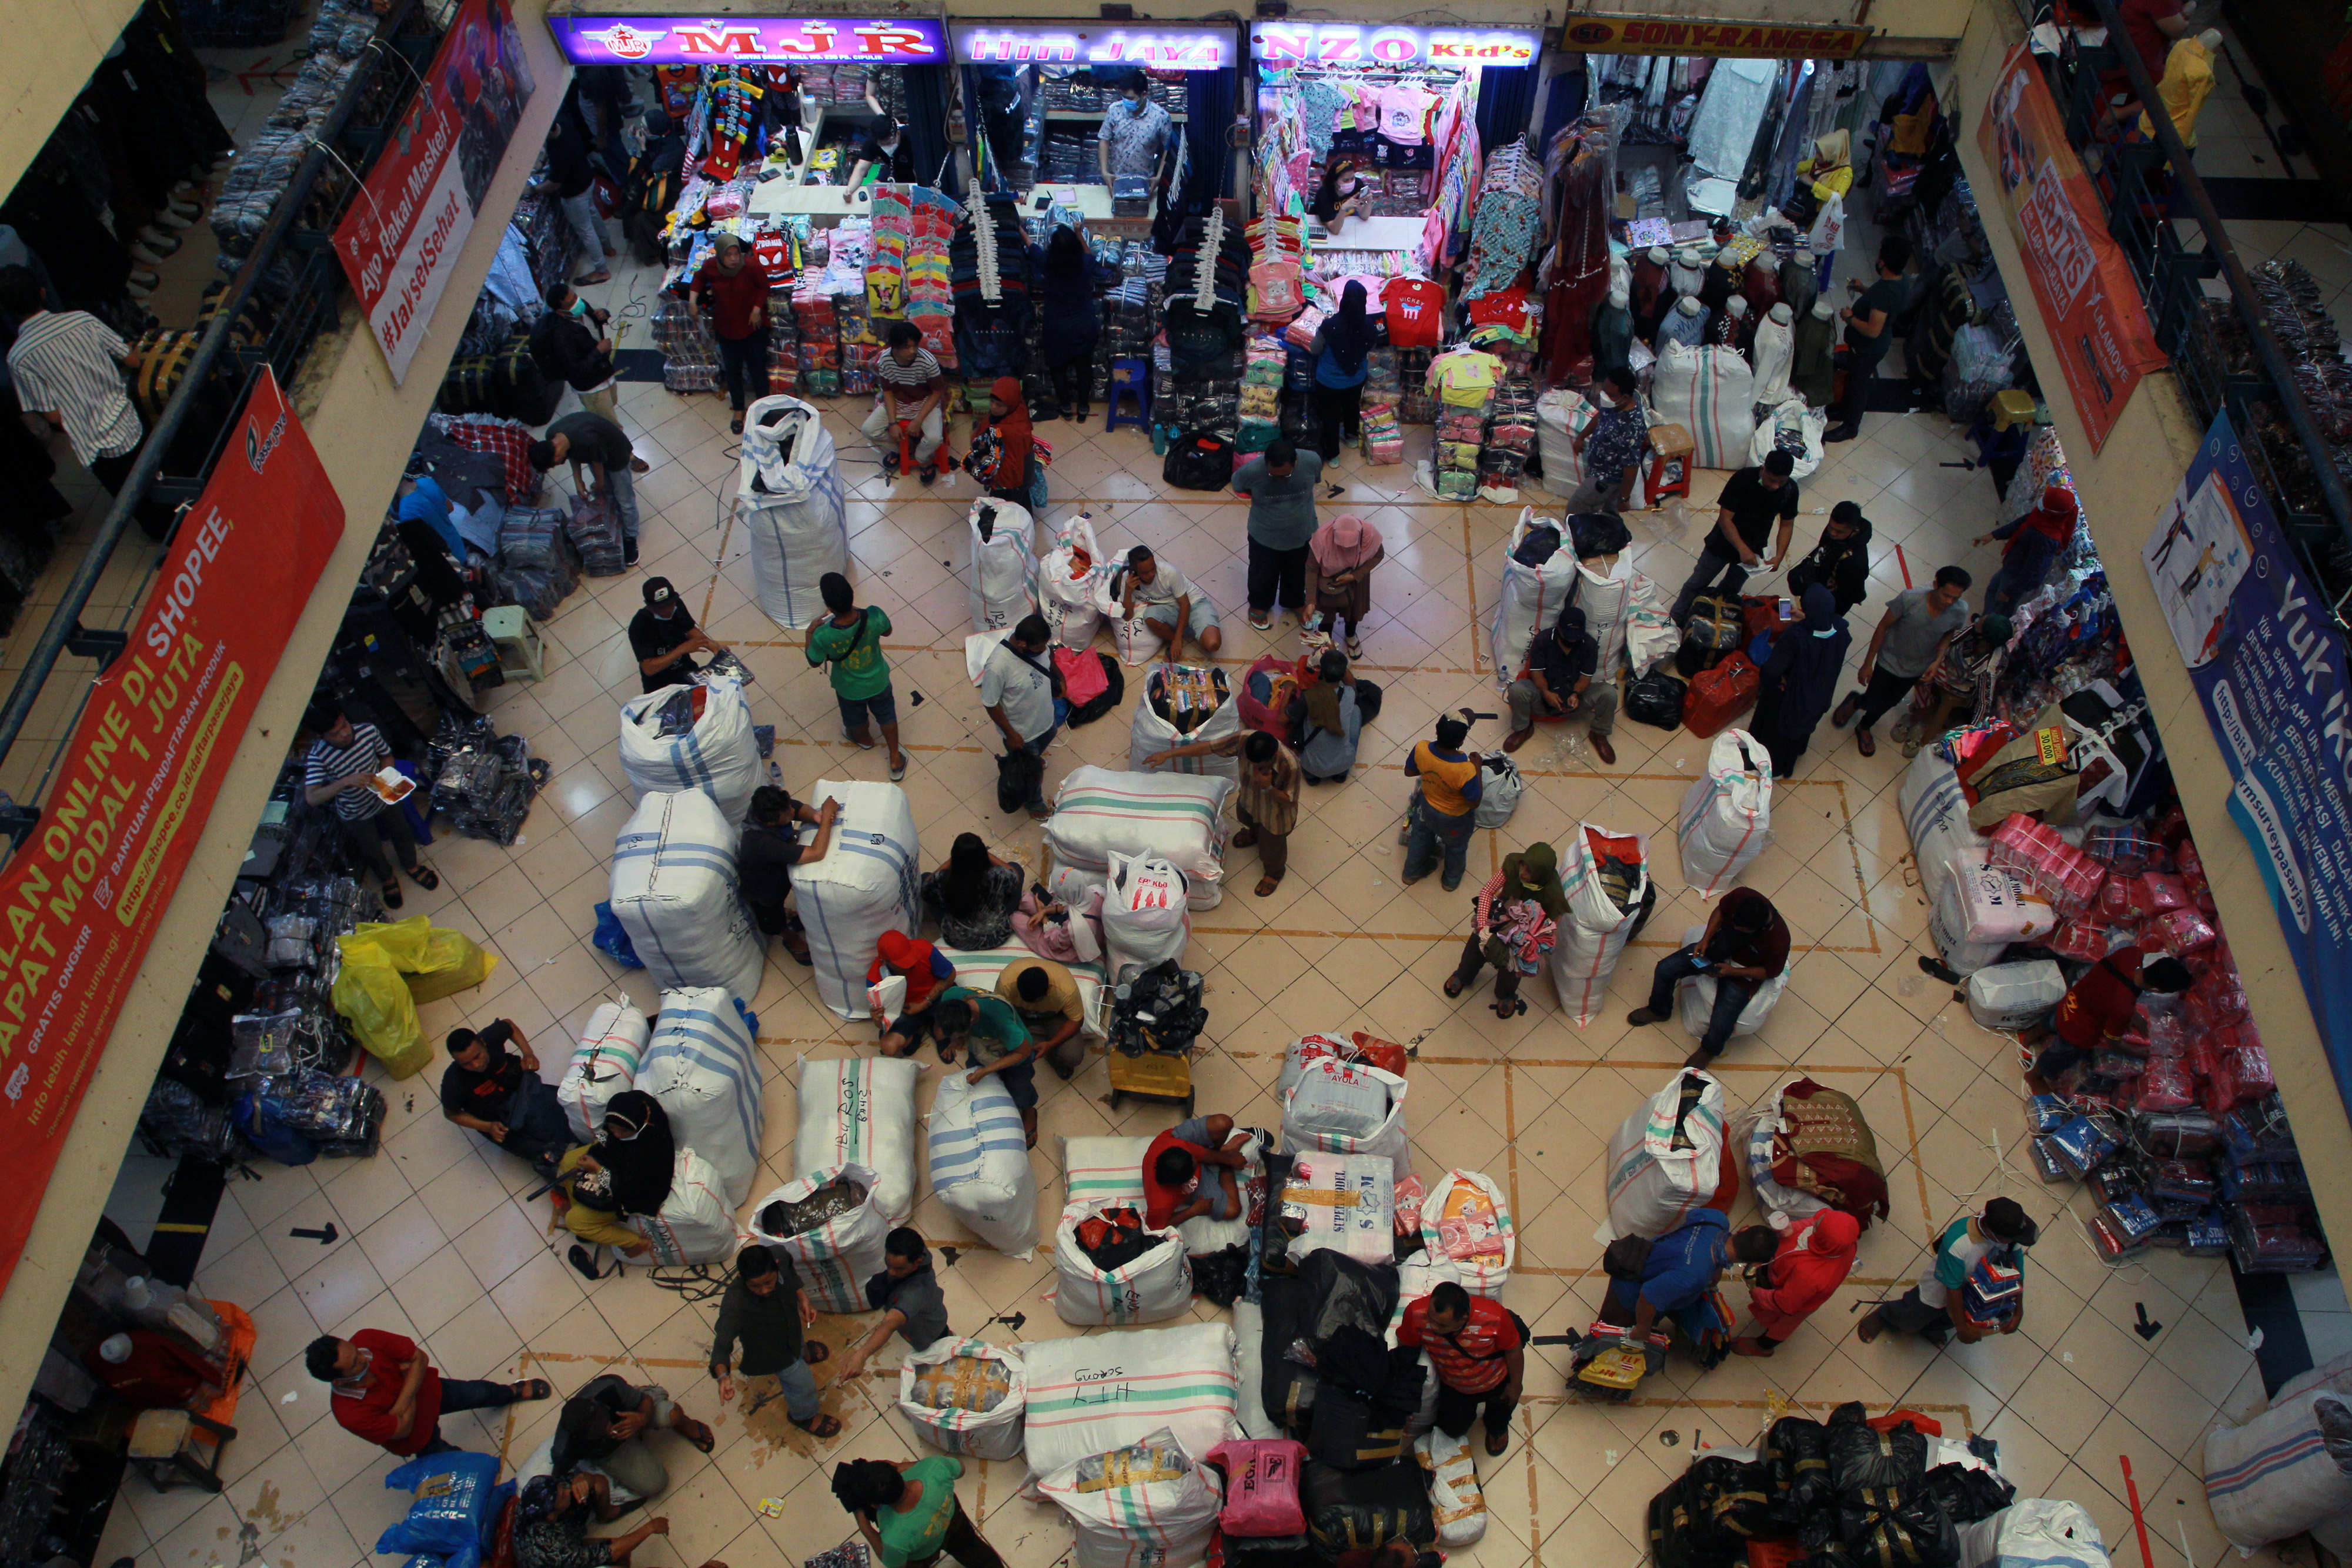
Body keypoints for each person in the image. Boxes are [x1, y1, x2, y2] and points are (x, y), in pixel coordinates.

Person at [1, 266, 169, 536]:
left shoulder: (18, 358)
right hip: (130, 420)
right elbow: (133, 360)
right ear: (42, 292)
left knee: (135, 500)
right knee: (157, 474)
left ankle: (164, 536)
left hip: (96, 446)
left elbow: (55, 418)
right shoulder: (81, 319)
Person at [306, 1331, 549, 1457]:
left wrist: (400, 1404)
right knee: (453, 1463)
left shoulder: (365, 1339)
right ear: (339, 1380)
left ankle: (511, 1392)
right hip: (417, 1437)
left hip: (432, 1392)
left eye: (356, 1351)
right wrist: (411, 1377)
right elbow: (402, 1430)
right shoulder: (349, 1413)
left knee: (480, 1392)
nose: (365, 1357)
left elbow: (420, 1358)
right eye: (356, 1363)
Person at [1626, 886, 1790, 1065]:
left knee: (1723, 1020)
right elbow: (1720, 911)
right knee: (1666, 968)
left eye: (1740, 928)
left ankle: (1709, 1049)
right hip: (1720, 945)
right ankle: (1659, 1010)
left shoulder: (1779, 941)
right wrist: (1705, 939)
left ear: (1756, 930)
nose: (1734, 926)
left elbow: (1769, 972)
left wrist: (1733, 972)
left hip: (1744, 969)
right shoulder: (1743, 896)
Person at [1589, 1212, 1778, 1366]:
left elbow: (1691, 1219)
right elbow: (1648, 1297)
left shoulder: (1716, 1220)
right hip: (1628, 1296)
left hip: (1653, 1263)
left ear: (1744, 1229)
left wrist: (1713, 1264)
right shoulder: (1693, 1277)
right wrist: (1642, 1329)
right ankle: (1588, 1362)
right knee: (1606, 1340)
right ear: (1754, 1263)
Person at [303, 704, 439, 910]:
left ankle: (412, 866)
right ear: (322, 737)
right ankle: (387, 878)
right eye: (335, 733)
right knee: (372, 849)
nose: (345, 733)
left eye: (344, 724)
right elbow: (312, 797)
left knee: (402, 832)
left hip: (384, 796)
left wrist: (385, 776)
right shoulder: (318, 756)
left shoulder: (367, 731)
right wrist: (345, 782)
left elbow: (386, 755)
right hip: (355, 811)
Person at [1856, 1198, 2039, 1348]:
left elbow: (2018, 1273)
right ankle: (1885, 1315)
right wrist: (1962, 1329)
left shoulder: (2010, 1238)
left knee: (1949, 1320)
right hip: (1944, 1287)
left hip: (1976, 1292)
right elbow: (1953, 1289)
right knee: (1913, 1315)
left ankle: (1930, 1329)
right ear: (1994, 1235)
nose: (2015, 1242)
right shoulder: (1959, 1242)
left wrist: (2018, 1311)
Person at [1831, 566, 1972, 758]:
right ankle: (1857, 701)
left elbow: (1949, 633)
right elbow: (1883, 627)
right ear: (1936, 585)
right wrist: (1868, 663)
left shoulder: (1959, 610)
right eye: (1946, 595)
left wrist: (1938, 660)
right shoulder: (1910, 599)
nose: (1950, 602)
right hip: (1889, 661)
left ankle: (1865, 726)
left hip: (1917, 667)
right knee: (1874, 700)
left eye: (1955, 598)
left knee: (1890, 702)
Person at [1144, 730, 1299, 897]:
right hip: (1249, 800)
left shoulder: (1290, 765)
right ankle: (1254, 835)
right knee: (1245, 817)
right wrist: (1168, 754)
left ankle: (1274, 874)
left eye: (1260, 767)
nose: (1255, 769)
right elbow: (1210, 748)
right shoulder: (1244, 740)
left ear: (1274, 755)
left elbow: (1290, 801)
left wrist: (1268, 787)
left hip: (1275, 815)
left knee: (1272, 848)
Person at [709, 1246, 840, 1437]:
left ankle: (802, 1352)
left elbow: (790, 1271)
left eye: (769, 1282)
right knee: (802, 1386)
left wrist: (803, 1299)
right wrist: (723, 1377)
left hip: (791, 1326)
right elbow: (721, 1345)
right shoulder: (735, 1303)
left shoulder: (778, 1255)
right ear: (741, 1279)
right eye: (755, 1286)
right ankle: (804, 1416)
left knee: (799, 1339)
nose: (764, 1290)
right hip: (773, 1350)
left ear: (776, 1266)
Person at [2022, 948, 2192, 1089]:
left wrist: (2133, 1014)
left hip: (2072, 1001)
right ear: (2156, 990)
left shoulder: (2132, 954)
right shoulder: (2123, 1008)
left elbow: (2113, 987)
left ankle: (2029, 1037)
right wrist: (2138, 1052)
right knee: (2060, 1055)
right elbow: (2114, 1042)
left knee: (2052, 1022)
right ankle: (2035, 1077)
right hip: (2078, 1032)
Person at [1671, 450, 1801, 627]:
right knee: (1697, 582)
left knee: (1731, 589)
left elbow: (1786, 525)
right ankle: (1675, 618)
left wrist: (1779, 556)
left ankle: (1711, 618)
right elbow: (1725, 519)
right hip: (1721, 543)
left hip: (1754, 547)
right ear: (1763, 469)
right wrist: (1741, 548)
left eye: (1782, 482)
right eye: (1772, 480)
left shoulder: (1790, 490)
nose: (1777, 486)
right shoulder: (1743, 479)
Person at [1396, 1281, 1525, 1457]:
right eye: (1430, 1318)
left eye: (1441, 1325)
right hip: (1456, 1387)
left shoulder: (1495, 1317)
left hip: (1496, 1380)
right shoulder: (1415, 1313)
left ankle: (1497, 1427)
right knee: (1452, 1429)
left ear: (1463, 1320)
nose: (1433, 1327)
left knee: (1500, 1412)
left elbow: (1514, 1349)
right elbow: (1406, 1347)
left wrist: (1516, 1385)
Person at [1442, 841, 1568, 1019]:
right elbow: (1487, 892)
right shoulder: (1512, 865)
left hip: (1522, 937)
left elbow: (1549, 929)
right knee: (1476, 949)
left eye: (1529, 871)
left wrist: (1529, 943)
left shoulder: (1554, 896)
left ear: (1541, 875)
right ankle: (1463, 975)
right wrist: (1482, 924)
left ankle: (1505, 994)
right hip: (1497, 917)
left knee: (1512, 969)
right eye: (1523, 865)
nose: (1522, 873)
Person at [557, 1092, 677, 1278]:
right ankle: (582, 1210)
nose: (617, 1134)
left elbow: (630, 1187)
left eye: (623, 1131)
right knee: (569, 1162)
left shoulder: (652, 1146)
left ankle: (636, 1243)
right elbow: (611, 1138)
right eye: (613, 1127)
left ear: (637, 1126)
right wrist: (604, 1147)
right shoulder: (636, 1108)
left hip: (634, 1190)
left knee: (575, 1222)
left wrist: (597, 1168)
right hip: (616, 1159)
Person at [549, 1375, 716, 1502]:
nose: (607, 1428)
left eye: (603, 1420)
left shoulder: (609, 1388)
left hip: (634, 1414)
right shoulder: (564, 1448)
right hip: (611, 1452)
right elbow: (557, 1478)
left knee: (673, 1414)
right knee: (656, 1484)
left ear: (595, 1402)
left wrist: (642, 1418)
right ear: (579, 1437)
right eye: (598, 1431)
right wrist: (577, 1480)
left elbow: (645, 1402)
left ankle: (683, 1424)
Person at [806, 572, 907, 780]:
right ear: (852, 596)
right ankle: (895, 758)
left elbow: (814, 661)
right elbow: (887, 632)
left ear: (829, 607)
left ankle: (865, 740)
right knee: (887, 714)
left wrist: (809, 633)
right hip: (878, 681)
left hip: (848, 688)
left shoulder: (823, 635)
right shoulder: (874, 615)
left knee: (854, 719)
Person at [441, 1019, 571, 1172]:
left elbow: (509, 1025)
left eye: (477, 1057)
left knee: (571, 1110)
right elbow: (451, 1114)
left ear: (483, 1043)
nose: (476, 1065)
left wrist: (528, 1053)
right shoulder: (453, 1082)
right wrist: (487, 1127)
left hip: (522, 1089)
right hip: (499, 1121)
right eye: (466, 1064)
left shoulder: (491, 1037)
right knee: (550, 1157)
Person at [833, 1455, 1007, 1568]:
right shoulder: (934, 1468)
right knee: (975, 1552)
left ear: (874, 1505)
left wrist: (865, 1527)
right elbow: (960, 1469)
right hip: (954, 1523)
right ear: (896, 1470)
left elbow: (894, 1563)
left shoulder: (894, 1537)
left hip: (923, 1553)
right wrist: (905, 1466)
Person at [1752, 584, 1852, 778]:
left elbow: (1771, 670)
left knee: (1776, 732)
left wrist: (1775, 683)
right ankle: (1793, 757)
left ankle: (1775, 768)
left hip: (1790, 698)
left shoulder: (1796, 637)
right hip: (1820, 694)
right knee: (1800, 729)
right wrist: (1809, 619)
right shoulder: (1841, 630)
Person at [1730, 1209, 1860, 1357]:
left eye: (1817, 1228)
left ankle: (1763, 1346)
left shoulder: (1811, 1277)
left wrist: (1758, 1294)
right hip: (1786, 1275)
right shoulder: (1843, 1240)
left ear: (1823, 1240)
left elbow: (1783, 1302)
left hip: (1795, 1297)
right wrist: (1794, 1228)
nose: (1814, 1223)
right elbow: (1813, 1222)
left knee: (1783, 1325)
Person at [1502, 605, 1619, 764]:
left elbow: (1585, 679)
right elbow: (1537, 673)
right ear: (1559, 628)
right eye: (1568, 635)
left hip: (1574, 703)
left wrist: (1575, 694)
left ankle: (1599, 734)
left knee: (1609, 693)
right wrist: (1546, 693)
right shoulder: (1543, 640)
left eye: (1576, 636)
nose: (1572, 640)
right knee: (1517, 690)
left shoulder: (1589, 645)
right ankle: (1523, 728)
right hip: (1544, 699)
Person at [933, 981, 1045, 1145]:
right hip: (981, 1042)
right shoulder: (950, 999)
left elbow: (1024, 1051)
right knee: (974, 1084)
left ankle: (1029, 1111)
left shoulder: (998, 1019)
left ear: (972, 1019)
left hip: (1013, 1049)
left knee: (1020, 1090)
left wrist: (985, 1071)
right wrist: (955, 1042)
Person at [1233, 439, 1328, 630]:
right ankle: (1259, 604)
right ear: (1265, 462)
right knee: (1262, 574)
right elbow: (1238, 486)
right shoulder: (1251, 471)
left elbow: (1316, 479)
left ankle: (1295, 602)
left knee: (1298, 572)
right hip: (1264, 535)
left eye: (1286, 475)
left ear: (1295, 463)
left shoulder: (1311, 461)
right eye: (1273, 475)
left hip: (1302, 532)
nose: (1279, 480)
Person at [1825, 235, 1912, 443]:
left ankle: (1851, 426)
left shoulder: (1885, 292)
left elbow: (1873, 330)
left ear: (1882, 262)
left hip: (1868, 348)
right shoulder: (1901, 280)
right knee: (1855, 379)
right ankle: (1845, 410)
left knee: (1858, 384)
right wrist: (1863, 289)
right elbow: (1881, 302)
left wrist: (1850, 317)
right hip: (1870, 346)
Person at [1892, 612, 2011, 760]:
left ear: (1985, 638)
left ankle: (1920, 716)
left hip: (1963, 683)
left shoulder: (1990, 666)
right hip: (1954, 664)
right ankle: (1923, 711)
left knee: (1925, 675)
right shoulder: (1976, 631)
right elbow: (1953, 639)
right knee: (1925, 664)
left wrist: (1969, 734)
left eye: (1982, 622)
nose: (1978, 620)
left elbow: (1984, 701)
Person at [530, 409, 642, 565]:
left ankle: (630, 537)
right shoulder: (553, 435)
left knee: (625, 499)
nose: (557, 465)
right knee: (609, 494)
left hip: (616, 452)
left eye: (554, 465)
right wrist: (578, 481)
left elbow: (598, 464)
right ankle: (616, 524)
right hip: (596, 451)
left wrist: (599, 483)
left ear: (556, 457)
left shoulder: (588, 440)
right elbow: (571, 453)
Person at [837, 1230, 952, 1382]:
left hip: (927, 1329)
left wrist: (861, 1355)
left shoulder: (915, 1293)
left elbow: (890, 1323)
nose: (891, 1272)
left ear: (917, 1262)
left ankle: (947, 1352)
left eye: (899, 1269)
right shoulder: (915, 1248)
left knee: (936, 1345)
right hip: (931, 1308)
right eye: (888, 1264)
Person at [740, 786, 837, 965]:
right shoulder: (761, 843)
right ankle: (791, 939)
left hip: (778, 870)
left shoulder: (765, 808)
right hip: (763, 887)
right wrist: (827, 817)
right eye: (787, 813)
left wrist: (815, 816)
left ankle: (786, 914)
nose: (792, 811)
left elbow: (798, 809)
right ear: (771, 823)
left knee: (782, 901)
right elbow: (817, 852)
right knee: (772, 919)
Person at [689, 235, 773, 433]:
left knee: (758, 369)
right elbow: (699, 278)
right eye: (729, 255)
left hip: (752, 327)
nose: (734, 259)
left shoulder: (750, 266)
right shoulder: (711, 267)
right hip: (726, 328)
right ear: (720, 256)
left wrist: (756, 309)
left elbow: (764, 286)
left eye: (736, 254)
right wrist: (692, 302)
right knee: (733, 372)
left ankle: (763, 409)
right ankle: (738, 409)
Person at [981, 615, 1061, 820]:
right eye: (1040, 647)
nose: (1044, 650)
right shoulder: (998, 666)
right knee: (1029, 776)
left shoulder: (1037, 645)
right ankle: (1034, 803)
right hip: (1022, 733)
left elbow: (1049, 658)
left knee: (1044, 743)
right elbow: (991, 703)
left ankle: (1032, 760)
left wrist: (1060, 679)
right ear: (1023, 644)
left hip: (1046, 719)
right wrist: (1011, 734)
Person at [1401, 713, 1484, 892]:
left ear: (1437, 732)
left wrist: (1431, 771)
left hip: (1427, 808)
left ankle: (1410, 873)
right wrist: (1478, 769)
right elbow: (1474, 803)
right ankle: (1450, 881)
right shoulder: (1466, 770)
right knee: (1456, 847)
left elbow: (1409, 772)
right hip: (1455, 819)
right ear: (1461, 742)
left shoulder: (1421, 748)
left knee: (1420, 837)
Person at [512, 1475, 669, 1568]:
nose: (568, 1491)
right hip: (558, 1560)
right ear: (551, 1516)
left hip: (567, 1540)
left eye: (562, 1488)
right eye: (563, 1496)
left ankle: (607, 1514)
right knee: (619, 1553)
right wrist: (650, 1528)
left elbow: (589, 1480)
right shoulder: (552, 1550)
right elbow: (611, 1553)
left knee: (622, 1550)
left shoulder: (534, 1501)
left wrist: (583, 1480)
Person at [529, 108, 612, 285]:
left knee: (585, 230)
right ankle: (607, 247)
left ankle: (601, 270)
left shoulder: (560, 151)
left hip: (575, 193)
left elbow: (554, 184)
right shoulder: (562, 121)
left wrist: (534, 189)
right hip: (587, 178)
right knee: (593, 214)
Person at [1975, 484, 2079, 616]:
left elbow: (2032, 570)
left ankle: (1987, 627)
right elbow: (2022, 522)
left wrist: (2010, 592)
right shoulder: (2043, 517)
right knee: (1993, 589)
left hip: (2016, 576)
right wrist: (1994, 535)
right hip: (2012, 565)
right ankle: (1985, 619)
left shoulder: (2046, 539)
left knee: (2001, 605)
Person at [863, 322, 947, 483]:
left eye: (915, 346)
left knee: (935, 438)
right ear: (894, 347)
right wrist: (893, 423)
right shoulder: (886, 361)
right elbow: (887, 391)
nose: (912, 351)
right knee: (868, 431)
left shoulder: (928, 361)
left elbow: (937, 392)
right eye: (906, 347)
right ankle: (901, 450)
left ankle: (922, 457)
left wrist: (918, 420)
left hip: (925, 402)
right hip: (899, 402)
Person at [1033, 227, 1102, 420]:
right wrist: (1079, 232)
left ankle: (1065, 407)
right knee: (1084, 366)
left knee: (1057, 367)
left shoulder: (1047, 264)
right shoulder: (1084, 263)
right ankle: (1083, 407)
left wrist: (1020, 229)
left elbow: (1032, 247)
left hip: (1056, 327)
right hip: (1084, 325)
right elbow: (1089, 253)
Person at [529, 282, 621, 426]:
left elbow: (593, 322)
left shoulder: (581, 306)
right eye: (571, 302)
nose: (577, 302)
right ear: (560, 311)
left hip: (604, 369)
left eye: (575, 297)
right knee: (610, 424)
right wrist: (599, 351)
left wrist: (602, 315)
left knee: (612, 401)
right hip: (592, 386)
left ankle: (593, 415)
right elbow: (576, 370)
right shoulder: (561, 336)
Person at [1565, 369, 1650, 517]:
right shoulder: (1616, 402)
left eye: (1610, 395)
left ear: (1625, 397)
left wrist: (1625, 499)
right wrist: (1581, 437)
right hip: (1597, 467)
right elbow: (1601, 416)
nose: (1605, 398)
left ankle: (1577, 533)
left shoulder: (1631, 427)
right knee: (1609, 510)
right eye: (1604, 392)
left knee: (1576, 508)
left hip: (1606, 479)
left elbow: (1631, 468)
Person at [1142, 1114, 1252, 1227]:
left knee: (1223, 1123)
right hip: (1185, 1175)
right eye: (1196, 1164)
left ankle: (1224, 1153)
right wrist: (1193, 1211)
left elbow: (1201, 1154)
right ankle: (1226, 1159)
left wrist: (1229, 1159)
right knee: (1232, 1210)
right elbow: (1155, 1228)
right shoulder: (1159, 1204)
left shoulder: (1177, 1146)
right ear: (1186, 1181)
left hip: (1180, 1141)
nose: (1198, 1157)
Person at [922, 833, 1027, 950]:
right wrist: (986, 854)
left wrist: (954, 859)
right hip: (998, 935)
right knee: (1015, 867)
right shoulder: (996, 876)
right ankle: (1014, 913)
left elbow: (926, 885)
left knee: (925, 879)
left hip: (959, 940)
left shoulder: (943, 880)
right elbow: (1016, 875)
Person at [1305, 284, 1372, 463]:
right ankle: (1351, 437)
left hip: (1329, 381)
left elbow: (1315, 349)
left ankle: (1333, 455)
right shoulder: (1369, 325)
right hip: (1356, 378)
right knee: (1352, 407)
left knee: (1330, 416)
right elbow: (1370, 346)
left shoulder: (1330, 325)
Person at [995, 957, 1087, 1081]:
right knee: (995, 1045)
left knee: (1072, 1056)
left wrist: (1051, 1044)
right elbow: (999, 1011)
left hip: (1053, 1016)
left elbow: (1077, 1020)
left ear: (1049, 990)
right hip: (1018, 1013)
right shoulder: (1006, 982)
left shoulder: (1066, 989)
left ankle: (1049, 1051)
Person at [628, 577, 726, 693]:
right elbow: (649, 668)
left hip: (687, 673)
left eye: (670, 604)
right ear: (649, 606)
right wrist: (682, 650)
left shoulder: (677, 606)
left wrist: (717, 649)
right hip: (660, 686)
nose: (668, 610)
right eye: (661, 608)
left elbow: (691, 631)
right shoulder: (639, 626)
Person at [1307, 513, 1385, 658]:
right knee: (1325, 614)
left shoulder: (1369, 535)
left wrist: (1355, 576)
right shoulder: (1321, 538)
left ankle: (1350, 634)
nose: (1345, 550)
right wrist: (1311, 601)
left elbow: (1378, 555)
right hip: (1326, 582)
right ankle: (1326, 641)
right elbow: (1311, 570)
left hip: (1355, 578)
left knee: (1353, 611)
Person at [1122, 545, 1222, 657]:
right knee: (1150, 616)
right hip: (1171, 609)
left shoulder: (1169, 572)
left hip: (1194, 604)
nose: (1151, 575)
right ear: (1134, 572)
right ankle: (1177, 637)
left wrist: (1178, 638)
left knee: (1213, 644)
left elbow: (1185, 604)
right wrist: (1128, 592)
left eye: (1153, 569)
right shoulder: (1128, 581)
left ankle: (1196, 626)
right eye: (1145, 573)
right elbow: (1127, 616)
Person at [85, 1330, 225, 1410]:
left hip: (179, 1384)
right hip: (161, 1396)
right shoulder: (98, 1361)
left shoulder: (148, 1343)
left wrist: (213, 1377)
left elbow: (184, 1357)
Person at [871, 931, 957, 1058]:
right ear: (885, 962)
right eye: (903, 963)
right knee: (889, 1047)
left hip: (935, 997)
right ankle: (921, 1025)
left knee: (959, 1014)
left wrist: (924, 1004)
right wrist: (877, 1019)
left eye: (910, 958)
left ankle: (935, 1026)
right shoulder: (875, 980)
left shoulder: (925, 949)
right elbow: (882, 1022)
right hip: (907, 1010)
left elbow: (951, 975)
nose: (910, 964)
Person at [1293, 649, 1371, 783]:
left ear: (1321, 673)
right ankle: (1341, 775)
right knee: (1356, 711)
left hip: (1311, 766)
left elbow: (1286, 718)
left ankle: (1312, 779)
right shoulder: (1349, 694)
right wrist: (1337, 659)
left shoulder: (1309, 696)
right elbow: (1351, 682)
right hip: (1342, 764)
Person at [1786, 502, 1875, 616]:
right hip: (1816, 584)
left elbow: (1854, 594)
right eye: (1830, 527)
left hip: (1829, 604)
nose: (1832, 533)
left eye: (1839, 532)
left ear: (1855, 530)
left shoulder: (1854, 563)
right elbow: (1822, 548)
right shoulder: (1835, 531)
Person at [965, 377, 1036, 510]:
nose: (993, 407)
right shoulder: (1015, 408)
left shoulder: (1011, 431)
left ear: (1009, 404)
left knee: (1003, 509)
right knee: (1021, 503)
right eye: (992, 402)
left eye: (999, 404)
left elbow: (1012, 471)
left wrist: (990, 473)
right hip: (1021, 466)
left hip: (1015, 476)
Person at [1096, 75, 1174, 184]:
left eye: (1130, 99)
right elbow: (1104, 140)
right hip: (1116, 178)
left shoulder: (1160, 117)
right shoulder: (1114, 110)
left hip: (1145, 180)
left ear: (1144, 95)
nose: (1126, 101)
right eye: (1124, 97)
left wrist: (1159, 177)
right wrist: (1104, 172)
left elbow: (1168, 149)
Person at [844, 113, 914, 196]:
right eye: (882, 144)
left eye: (889, 143)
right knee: (875, 186)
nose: (887, 147)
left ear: (898, 134)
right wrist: (849, 192)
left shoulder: (911, 137)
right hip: (895, 169)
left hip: (916, 170)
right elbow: (861, 169)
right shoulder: (872, 142)